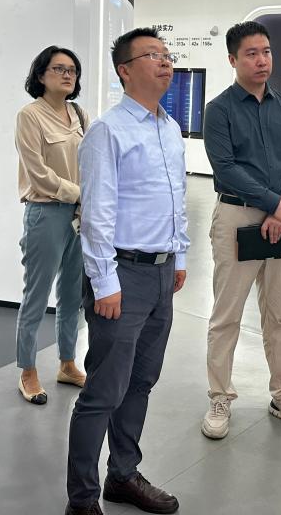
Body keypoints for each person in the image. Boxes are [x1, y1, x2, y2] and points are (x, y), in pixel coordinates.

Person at [65, 27, 189, 515]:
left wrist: (178, 258)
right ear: (125, 70)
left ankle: (122, 474)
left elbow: (177, 199)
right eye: (152, 55)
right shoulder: (108, 131)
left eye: (167, 54)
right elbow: (97, 214)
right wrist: (105, 282)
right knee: (103, 391)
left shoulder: (170, 128)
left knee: (141, 382)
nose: (165, 62)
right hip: (123, 275)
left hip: (161, 274)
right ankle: (81, 499)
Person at [201, 21, 281, 440]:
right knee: (226, 315)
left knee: (278, 313)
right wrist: (273, 203)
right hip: (237, 217)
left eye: (266, 51)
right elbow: (225, 167)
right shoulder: (219, 110)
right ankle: (219, 396)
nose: (262, 60)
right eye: (251, 53)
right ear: (233, 59)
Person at [14, 46, 89, 404]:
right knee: (37, 294)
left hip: (80, 214)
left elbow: (90, 161)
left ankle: (68, 363)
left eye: (72, 69)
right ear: (41, 74)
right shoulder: (30, 116)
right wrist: (79, 193)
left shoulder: (79, 114)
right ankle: (27, 370)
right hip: (46, 212)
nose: (67, 74)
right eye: (59, 68)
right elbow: (38, 173)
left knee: (73, 295)